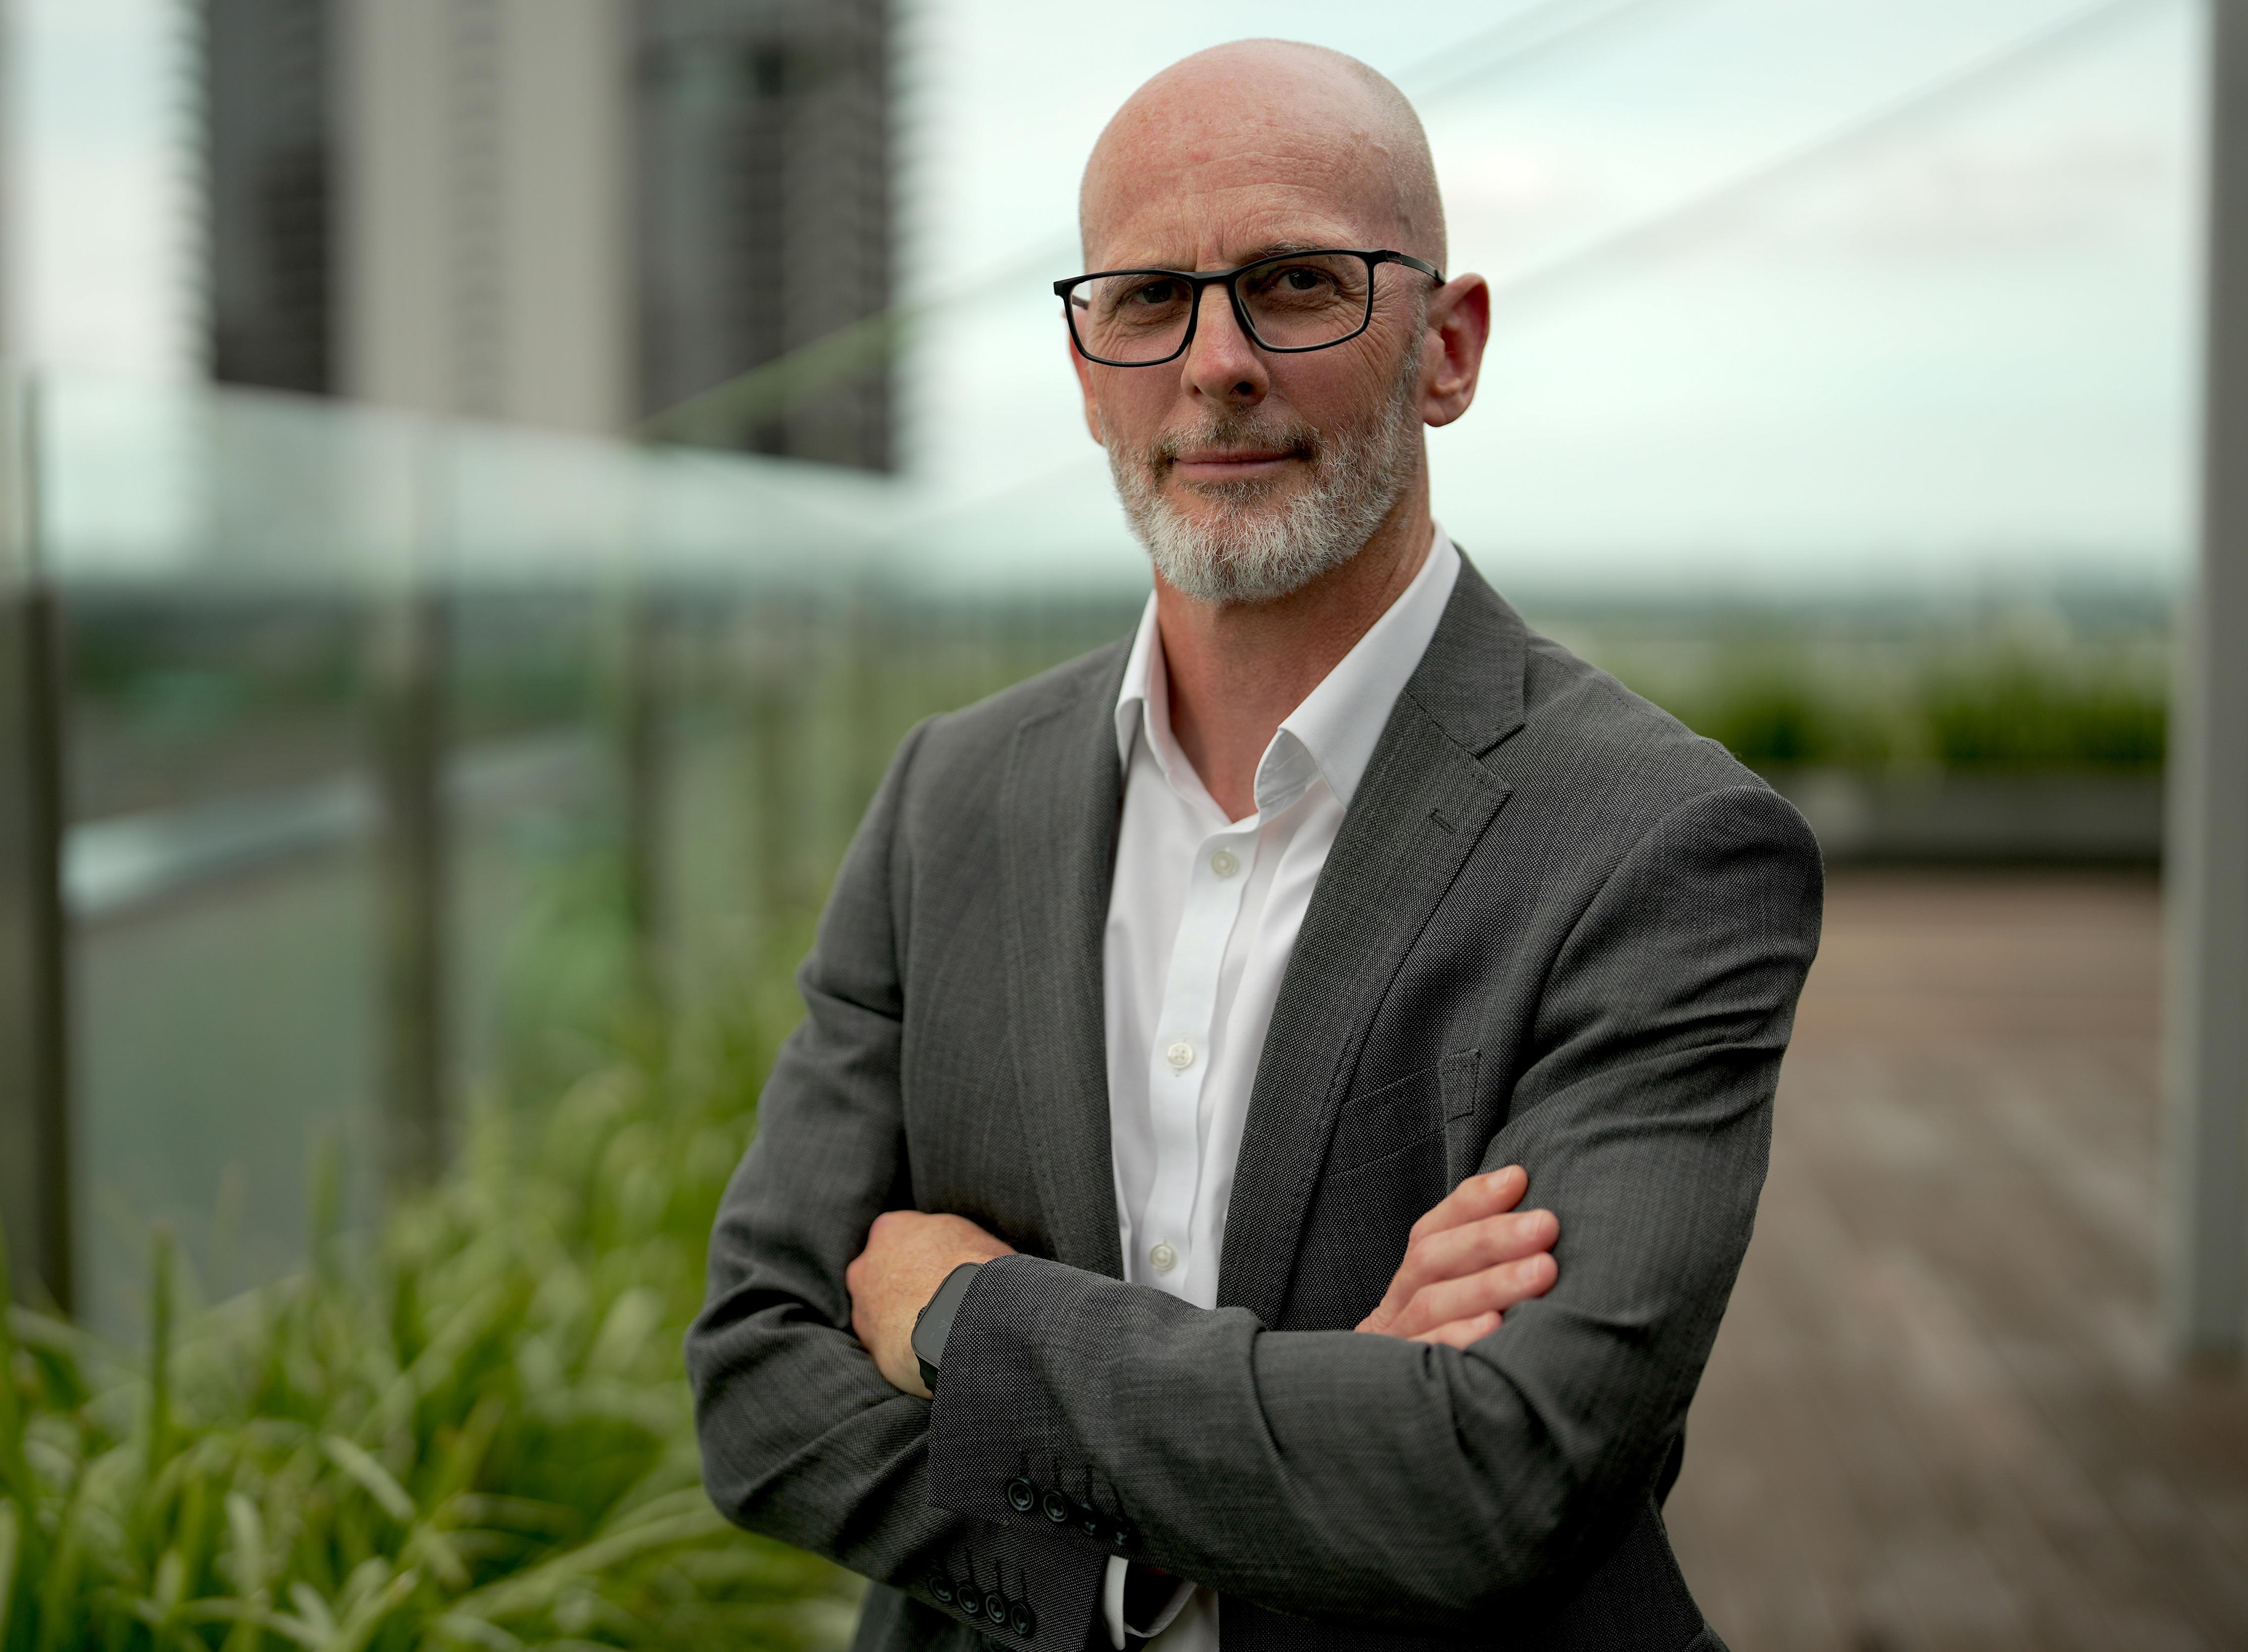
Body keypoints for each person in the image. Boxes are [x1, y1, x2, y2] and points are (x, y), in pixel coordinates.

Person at [688, 37, 1821, 1652]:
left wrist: (968, 1314)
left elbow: (1496, 1476)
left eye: (1296, 283)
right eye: (1147, 299)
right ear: (1087, 372)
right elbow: (756, 1383)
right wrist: (1188, 1529)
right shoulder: (952, 799)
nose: (1215, 362)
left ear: (1449, 347)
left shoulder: (1664, 846)